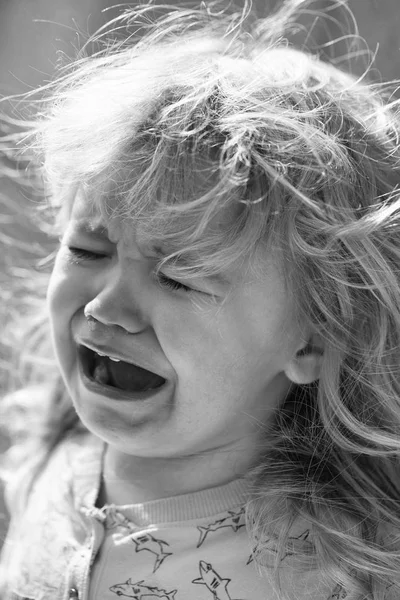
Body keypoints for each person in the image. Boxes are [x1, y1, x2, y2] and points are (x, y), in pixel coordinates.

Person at [1, 0, 400, 598]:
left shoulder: (335, 573)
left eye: (180, 277)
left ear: (314, 338)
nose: (105, 308)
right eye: (87, 249)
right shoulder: (38, 465)